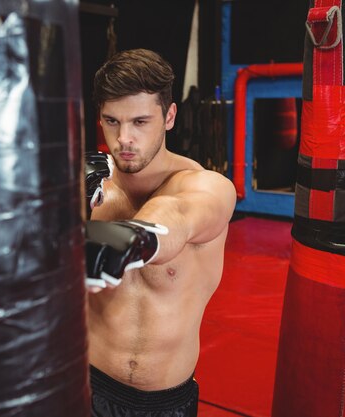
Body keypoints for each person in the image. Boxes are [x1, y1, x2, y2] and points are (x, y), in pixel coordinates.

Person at [84, 48, 237, 417]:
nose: (124, 139)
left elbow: (177, 216)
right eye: (111, 121)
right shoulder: (88, 185)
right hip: (85, 385)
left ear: (169, 117)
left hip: (163, 404)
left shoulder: (208, 187)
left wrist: (136, 237)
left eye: (139, 122)